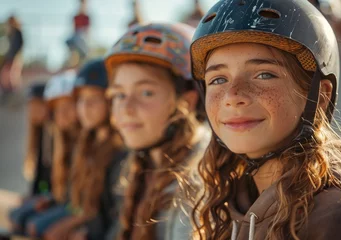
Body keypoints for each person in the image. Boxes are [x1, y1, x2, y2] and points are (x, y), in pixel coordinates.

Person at [189, 0, 341, 239]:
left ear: (321, 95)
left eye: (264, 74)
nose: (232, 96)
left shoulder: (338, 216)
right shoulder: (228, 205)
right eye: (218, 79)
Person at [104, 23, 210, 240]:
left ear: (186, 101)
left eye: (146, 92)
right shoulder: (141, 167)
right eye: (119, 94)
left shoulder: (196, 185)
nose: (126, 109)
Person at [43, 59, 126, 240]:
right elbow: (82, 204)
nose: (85, 107)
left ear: (110, 101)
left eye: (94, 99)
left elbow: (115, 218)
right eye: (81, 100)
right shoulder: (88, 144)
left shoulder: (121, 152)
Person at [9, 71, 79, 236]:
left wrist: (48, 198)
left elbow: (78, 195)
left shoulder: (76, 141)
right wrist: (40, 194)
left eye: (37, 105)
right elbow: (43, 177)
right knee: (16, 215)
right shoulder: (47, 134)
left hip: (72, 205)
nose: (32, 110)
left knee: (34, 224)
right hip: (59, 198)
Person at [0, 15, 23, 99]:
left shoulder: (17, 32)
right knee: (6, 74)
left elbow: (19, 46)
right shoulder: (11, 33)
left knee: (12, 75)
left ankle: (14, 93)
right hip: (10, 57)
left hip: (15, 57)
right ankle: (9, 92)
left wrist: (15, 57)